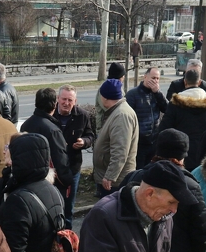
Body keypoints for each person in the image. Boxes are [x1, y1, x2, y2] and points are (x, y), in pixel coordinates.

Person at [53, 85, 94, 228]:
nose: (66, 103)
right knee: (52, 206)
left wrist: (84, 142)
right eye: (63, 99)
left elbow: (90, 136)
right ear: (58, 99)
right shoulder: (51, 115)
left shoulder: (82, 115)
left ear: (75, 101)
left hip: (73, 168)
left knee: (69, 207)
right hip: (53, 169)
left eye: (70, 100)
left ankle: (68, 239)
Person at [21, 88, 74, 195]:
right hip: (49, 185)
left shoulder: (25, 125)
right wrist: (67, 181)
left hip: (28, 181)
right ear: (55, 104)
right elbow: (60, 160)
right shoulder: (53, 130)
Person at [93, 78, 139, 197]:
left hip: (116, 182)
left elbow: (120, 150)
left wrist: (110, 176)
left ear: (105, 97)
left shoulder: (121, 116)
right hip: (114, 178)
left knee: (113, 212)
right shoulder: (116, 111)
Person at [160, 84, 206, 172]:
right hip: (204, 154)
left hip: (179, 154)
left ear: (185, 82)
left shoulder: (176, 103)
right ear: (199, 82)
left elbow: (164, 129)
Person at [126, 68, 168, 167]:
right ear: (145, 77)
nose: (155, 81)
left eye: (158, 79)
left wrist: (158, 93)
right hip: (139, 142)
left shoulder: (157, 94)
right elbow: (128, 118)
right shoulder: (133, 94)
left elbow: (167, 109)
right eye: (153, 78)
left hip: (154, 141)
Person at [95, 62, 127, 132]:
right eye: (122, 75)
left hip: (114, 127)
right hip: (104, 128)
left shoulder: (118, 88)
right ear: (119, 77)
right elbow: (110, 108)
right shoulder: (105, 89)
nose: (124, 77)